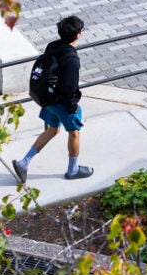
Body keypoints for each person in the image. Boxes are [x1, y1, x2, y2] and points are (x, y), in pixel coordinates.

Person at [12, 15, 93, 183]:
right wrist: (73, 107)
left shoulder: (52, 46)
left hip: (48, 99)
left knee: (52, 130)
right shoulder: (72, 59)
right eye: (81, 31)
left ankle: (24, 163)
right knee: (74, 133)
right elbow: (69, 88)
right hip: (63, 103)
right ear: (77, 35)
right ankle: (73, 170)